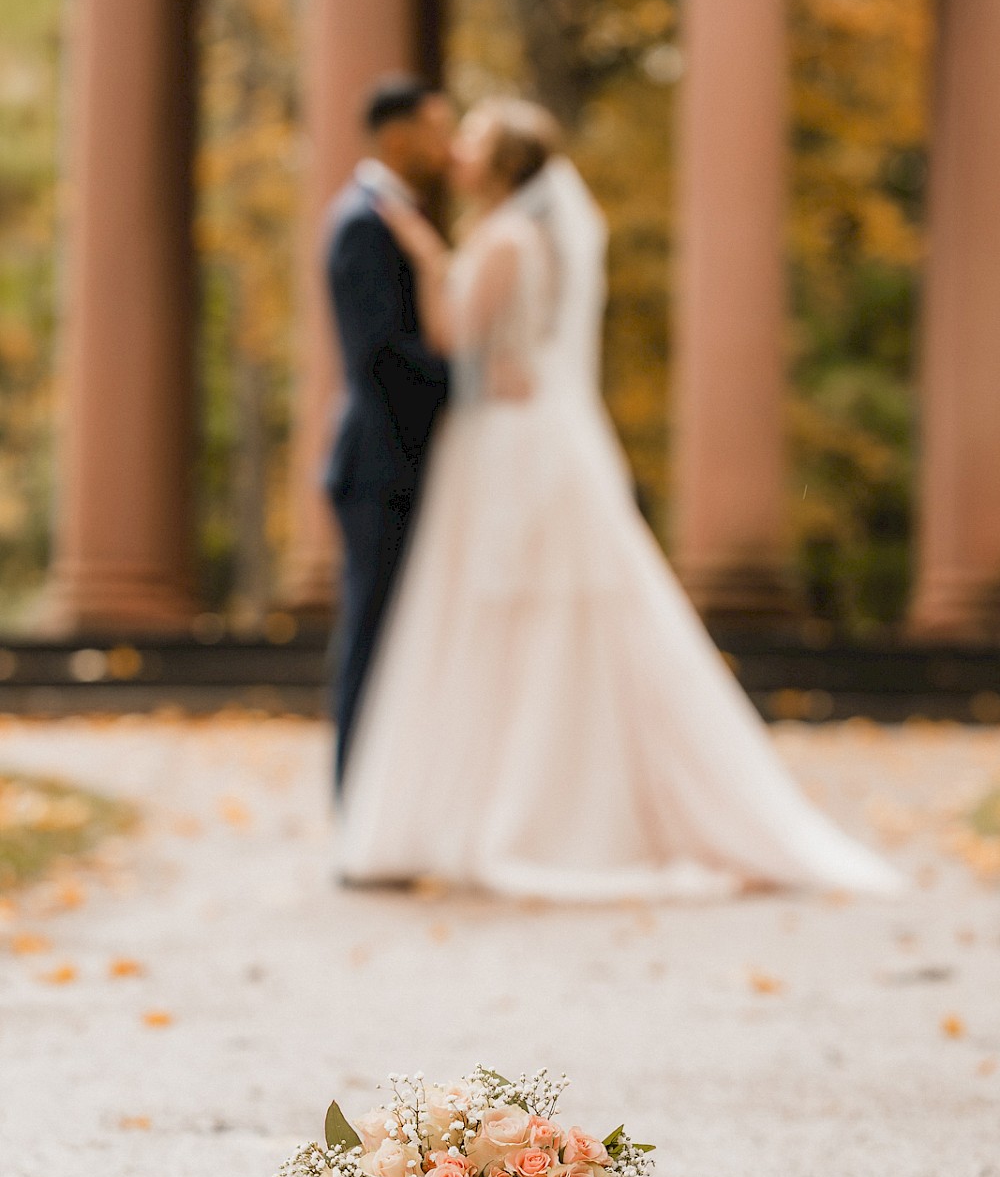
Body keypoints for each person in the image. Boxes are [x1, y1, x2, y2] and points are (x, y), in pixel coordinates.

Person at [337, 98, 902, 902]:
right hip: (531, 434)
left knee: (505, 623)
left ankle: (514, 812)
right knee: (538, 624)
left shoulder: (500, 241)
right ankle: (533, 803)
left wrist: (428, 259)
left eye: (472, 141)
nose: (457, 151)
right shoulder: (527, 237)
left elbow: (456, 334)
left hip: (507, 445)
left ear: (501, 167)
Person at [323, 77, 453, 787]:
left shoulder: (393, 217)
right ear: (399, 137)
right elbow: (383, 356)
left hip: (404, 468)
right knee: (372, 641)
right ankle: (357, 814)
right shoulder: (363, 223)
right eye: (439, 130)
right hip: (381, 469)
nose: (449, 147)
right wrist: (470, 389)